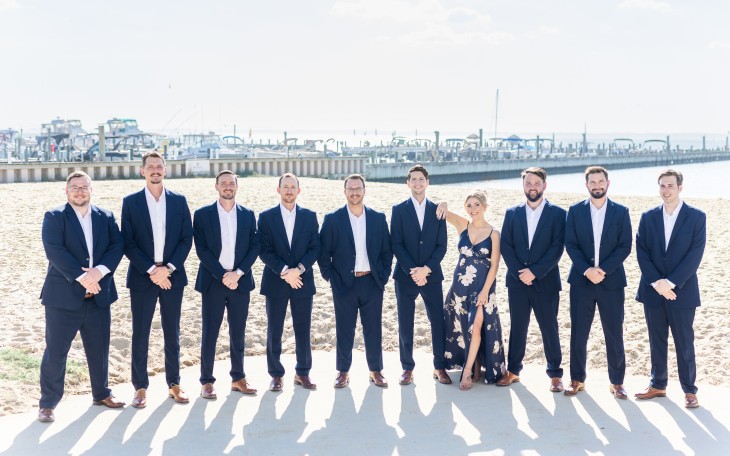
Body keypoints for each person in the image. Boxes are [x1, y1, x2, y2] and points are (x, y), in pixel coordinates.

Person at [38, 171, 126, 423]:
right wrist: (83, 276)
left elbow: (117, 246)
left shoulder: (105, 216)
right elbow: (55, 251)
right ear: (66, 191)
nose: (79, 191)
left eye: (84, 187)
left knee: (99, 349)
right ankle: (47, 404)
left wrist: (100, 271)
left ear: (91, 189)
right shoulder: (54, 216)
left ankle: (102, 394)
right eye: (74, 187)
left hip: (98, 296)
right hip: (62, 298)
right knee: (56, 351)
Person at [121, 151, 193, 408]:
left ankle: (174, 384)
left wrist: (168, 269)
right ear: (142, 171)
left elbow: (186, 238)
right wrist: (152, 270)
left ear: (165, 169)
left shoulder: (179, 201)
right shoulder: (131, 202)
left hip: (173, 277)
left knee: (172, 332)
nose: (155, 170)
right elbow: (128, 242)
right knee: (140, 333)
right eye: (150, 166)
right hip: (143, 277)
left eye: (159, 166)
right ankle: (140, 387)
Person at [634, 169, 706, 408]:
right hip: (653, 290)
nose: (666, 190)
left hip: (682, 291)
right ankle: (658, 385)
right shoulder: (648, 216)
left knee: (684, 342)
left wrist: (671, 283)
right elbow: (642, 251)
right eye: (662, 186)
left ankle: (689, 390)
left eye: (670, 186)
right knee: (656, 340)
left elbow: (695, 255)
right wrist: (657, 283)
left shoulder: (696, 217)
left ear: (680, 188)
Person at [318, 174, 393, 388]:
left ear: (364, 190)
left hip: (372, 282)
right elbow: (323, 253)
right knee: (344, 329)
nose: (354, 192)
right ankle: (343, 372)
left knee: (373, 329)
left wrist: (383, 276)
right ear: (344, 192)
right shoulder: (333, 219)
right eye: (350, 189)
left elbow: (387, 252)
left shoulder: (378, 218)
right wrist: (331, 278)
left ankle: (376, 370)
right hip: (343, 283)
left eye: (358, 188)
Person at [564, 166, 632, 398]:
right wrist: (586, 270)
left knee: (614, 333)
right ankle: (577, 379)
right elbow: (570, 244)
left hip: (611, 282)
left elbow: (625, 245)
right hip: (581, 281)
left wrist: (602, 270)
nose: (597, 186)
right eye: (592, 182)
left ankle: (617, 382)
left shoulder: (621, 211)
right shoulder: (575, 211)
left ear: (607, 183)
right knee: (578, 332)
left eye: (600, 181)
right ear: (586, 185)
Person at [497, 167, 566, 392]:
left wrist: (534, 272)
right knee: (518, 327)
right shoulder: (512, 213)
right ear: (523, 185)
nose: (532, 187)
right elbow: (506, 245)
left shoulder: (558, 214)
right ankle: (513, 371)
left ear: (544, 185)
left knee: (549, 328)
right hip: (517, 282)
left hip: (546, 281)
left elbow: (557, 247)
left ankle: (555, 374)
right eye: (528, 183)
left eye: (537, 183)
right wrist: (521, 272)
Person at [193, 170, 260, 399]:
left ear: (237, 187)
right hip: (213, 282)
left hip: (240, 282)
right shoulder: (203, 214)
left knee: (238, 332)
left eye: (231, 183)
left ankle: (238, 378)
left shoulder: (248, 214)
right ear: (216, 186)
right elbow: (201, 249)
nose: (228, 187)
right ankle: (207, 381)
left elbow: (254, 246)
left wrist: (237, 274)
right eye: (223, 183)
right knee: (210, 332)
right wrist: (223, 275)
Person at [436, 190, 506, 390]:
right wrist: (444, 201)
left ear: (485, 207)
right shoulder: (463, 225)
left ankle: (467, 371)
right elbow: (440, 211)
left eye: (477, 205)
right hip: (459, 287)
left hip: (482, 288)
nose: (473, 209)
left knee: (476, 326)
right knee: (462, 326)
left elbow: (494, 265)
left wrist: (485, 291)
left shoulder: (494, 234)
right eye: (469, 205)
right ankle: (474, 363)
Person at [258, 173, 320, 392]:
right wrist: (285, 271)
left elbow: (315, 248)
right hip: (276, 281)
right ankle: (276, 374)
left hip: (302, 280)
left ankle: (303, 373)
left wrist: (298, 270)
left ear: (298, 191)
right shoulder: (266, 217)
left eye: (293, 187)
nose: (289, 190)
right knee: (274, 330)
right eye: (285, 186)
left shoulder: (309, 216)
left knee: (303, 329)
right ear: (278, 190)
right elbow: (264, 250)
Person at [390, 165, 451, 386]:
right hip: (405, 276)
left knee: (437, 321)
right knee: (405, 322)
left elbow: (442, 245)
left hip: (431, 275)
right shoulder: (398, 210)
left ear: (427, 182)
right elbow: (396, 243)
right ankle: (407, 368)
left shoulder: (438, 210)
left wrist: (426, 269)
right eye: (413, 179)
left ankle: (439, 366)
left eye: (421, 179)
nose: (417, 183)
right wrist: (413, 270)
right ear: (408, 183)